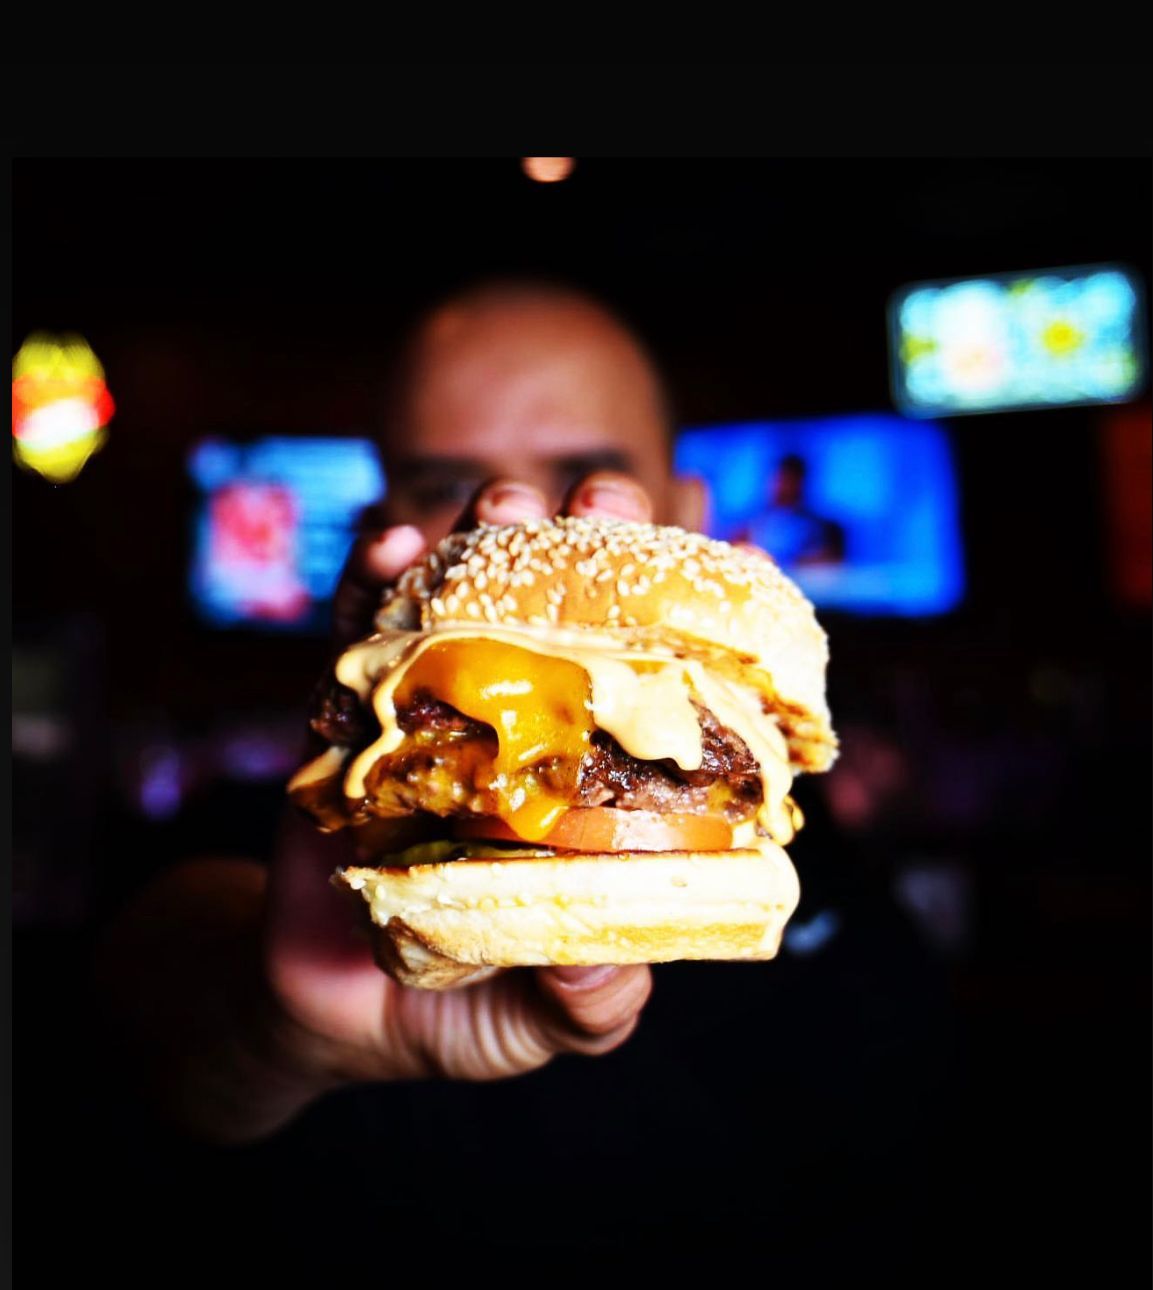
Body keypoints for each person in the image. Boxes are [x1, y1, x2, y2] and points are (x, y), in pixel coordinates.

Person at [87, 279, 958, 1271]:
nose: (520, 521)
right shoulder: (292, 819)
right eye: (442, 485)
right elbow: (126, 1025)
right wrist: (278, 1031)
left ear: (687, 510)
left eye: (584, 474)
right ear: (381, 520)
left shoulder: (826, 871)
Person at [739, 452, 846, 567]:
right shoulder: (750, 526)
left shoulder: (825, 529)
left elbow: (830, 563)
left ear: (802, 483)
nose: (784, 487)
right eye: (781, 480)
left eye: (790, 481)